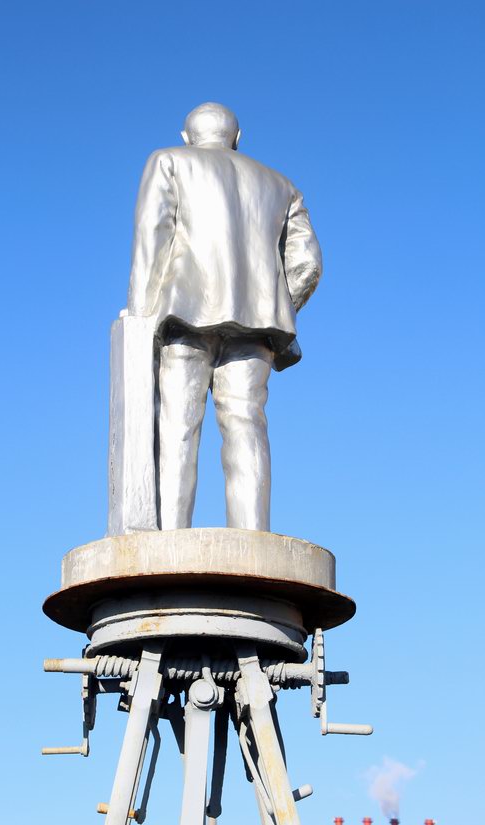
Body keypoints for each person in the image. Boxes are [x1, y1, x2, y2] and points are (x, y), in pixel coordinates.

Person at [127, 102, 322, 531]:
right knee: (246, 424)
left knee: (178, 426)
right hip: (258, 324)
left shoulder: (168, 161)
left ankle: (171, 538)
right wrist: (273, 300)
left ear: (186, 137)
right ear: (238, 137)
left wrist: (141, 320)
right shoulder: (281, 185)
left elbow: (151, 241)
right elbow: (307, 262)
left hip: (185, 317)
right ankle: (253, 537)